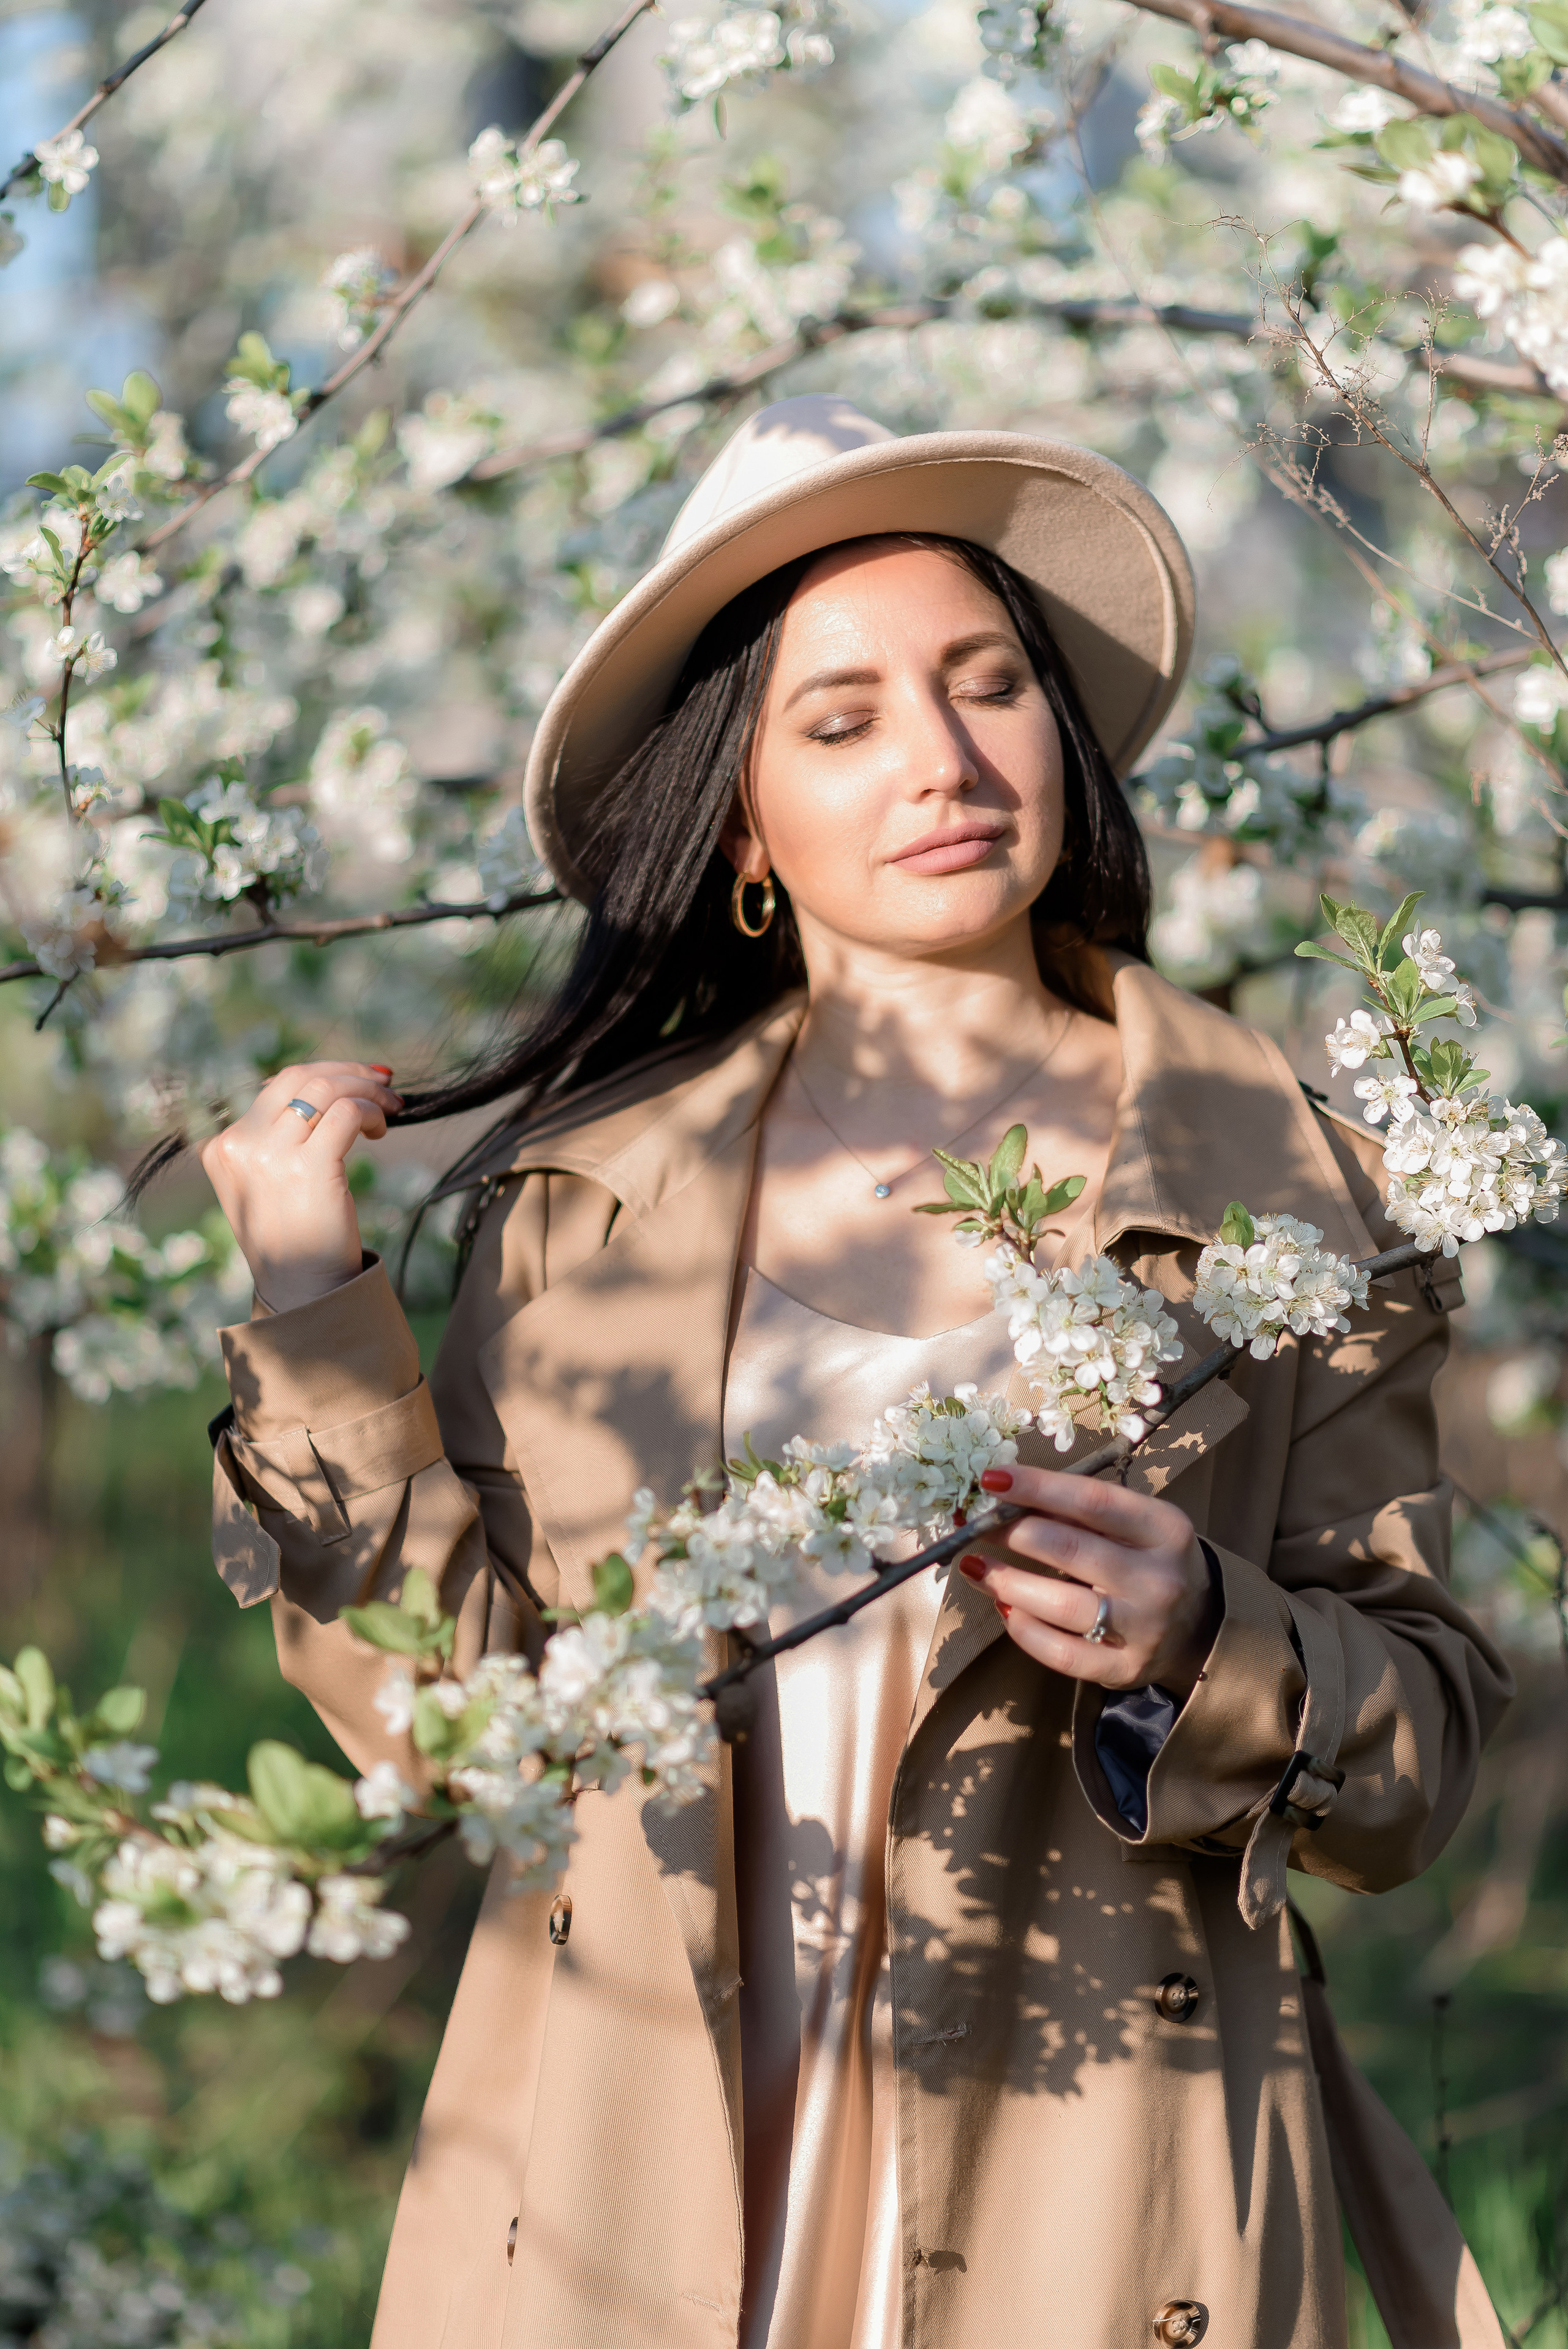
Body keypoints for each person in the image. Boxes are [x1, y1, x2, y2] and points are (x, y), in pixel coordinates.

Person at [200, 397, 1512, 2349]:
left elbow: (1416, 1768)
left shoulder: (1289, 1189)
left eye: (991, 685)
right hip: (632, 2156)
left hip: (1107, 2176)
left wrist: (1204, 1639)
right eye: (846, 718)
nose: (945, 757)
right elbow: (450, 1723)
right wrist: (311, 1300)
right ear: (742, 820)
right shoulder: (583, 1207)